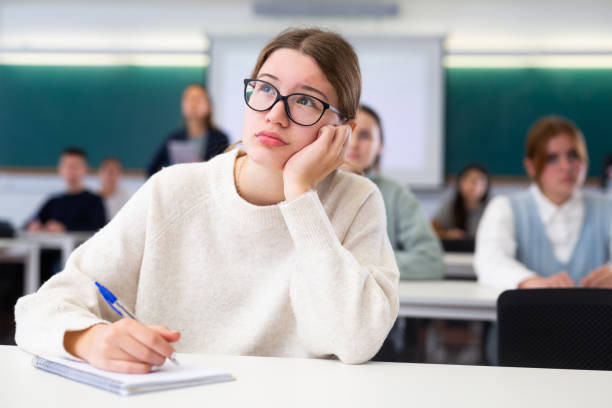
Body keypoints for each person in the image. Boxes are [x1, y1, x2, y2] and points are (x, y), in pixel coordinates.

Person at [15, 28, 399, 373]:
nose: (275, 115)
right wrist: (89, 339)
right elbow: (40, 308)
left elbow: (356, 340)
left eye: (305, 101)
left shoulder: (357, 200)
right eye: (265, 88)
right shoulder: (173, 191)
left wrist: (300, 194)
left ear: (343, 132)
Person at [475, 115, 612, 363]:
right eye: (552, 158)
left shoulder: (607, 207)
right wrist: (533, 283)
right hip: (524, 340)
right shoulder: (505, 207)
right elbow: (489, 261)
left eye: (573, 155)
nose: (566, 166)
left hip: (599, 342)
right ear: (531, 166)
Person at [343, 104, 444, 361]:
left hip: (375, 322)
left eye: (365, 135)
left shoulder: (397, 194)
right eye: (348, 131)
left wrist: (361, 265)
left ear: (380, 146)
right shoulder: (308, 187)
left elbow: (430, 260)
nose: (354, 143)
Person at [146, 83, 230, 177]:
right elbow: (151, 169)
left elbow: (224, 173)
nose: (193, 104)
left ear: (209, 105)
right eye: (189, 99)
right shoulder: (173, 138)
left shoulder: (220, 138)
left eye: (198, 99)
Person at [26, 147, 106, 233]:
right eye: (67, 166)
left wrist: (65, 228)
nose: (71, 171)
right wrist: (34, 225)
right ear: (60, 169)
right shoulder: (53, 201)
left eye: (76, 166)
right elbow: (29, 223)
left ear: (85, 169)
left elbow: (99, 229)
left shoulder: (95, 201)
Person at [432, 163, 490, 242]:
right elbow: (431, 229)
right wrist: (446, 234)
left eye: (481, 181)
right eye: (471, 180)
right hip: (457, 252)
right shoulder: (450, 207)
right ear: (460, 183)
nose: (475, 185)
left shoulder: (492, 209)